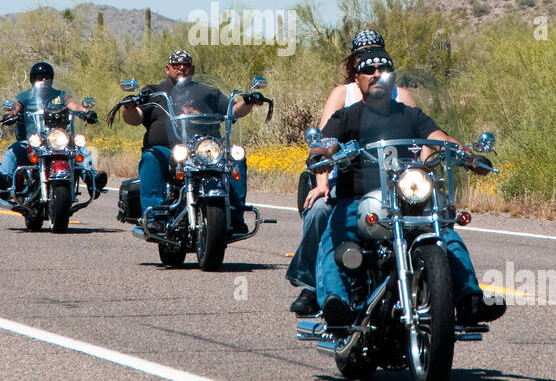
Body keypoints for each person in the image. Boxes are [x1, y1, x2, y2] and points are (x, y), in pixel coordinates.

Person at [308, 49, 505, 329]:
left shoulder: (412, 116)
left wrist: (466, 156)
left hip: (408, 198)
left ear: (392, 79)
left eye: (383, 69)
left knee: (445, 234)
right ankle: (335, 304)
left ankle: (469, 300)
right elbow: (327, 141)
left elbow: (439, 138)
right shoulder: (347, 117)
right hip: (360, 200)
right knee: (334, 235)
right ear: (358, 79)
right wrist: (321, 154)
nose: (376, 74)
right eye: (369, 70)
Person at [288, 30, 418, 315]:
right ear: (354, 62)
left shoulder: (402, 95)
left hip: (395, 181)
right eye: (363, 56)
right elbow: (323, 141)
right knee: (321, 210)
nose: (372, 64)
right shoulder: (342, 94)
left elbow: (419, 139)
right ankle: (312, 286)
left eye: (377, 54)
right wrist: (322, 182)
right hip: (343, 178)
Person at [122, 50, 264, 233]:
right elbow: (134, 118)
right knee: (151, 157)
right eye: (176, 64)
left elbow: (232, 110)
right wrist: (129, 106)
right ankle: (153, 216)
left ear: (193, 69)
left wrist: (249, 101)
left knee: (237, 157)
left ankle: (235, 215)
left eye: (186, 64)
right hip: (168, 151)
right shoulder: (153, 92)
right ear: (167, 69)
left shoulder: (207, 92)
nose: (181, 67)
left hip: (204, 150)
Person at [0, 61, 103, 200]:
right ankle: (4, 181)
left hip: (58, 141)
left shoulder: (60, 95)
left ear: (52, 78)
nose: (44, 80)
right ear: (33, 79)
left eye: (47, 76)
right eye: (39, 77)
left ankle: (93, 181)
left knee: (81, 149)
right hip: (33, 141)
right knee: (13, 150)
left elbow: (73, 105)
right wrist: (11, 114)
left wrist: (85, 111)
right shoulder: (25, 97)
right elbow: (15, 106)